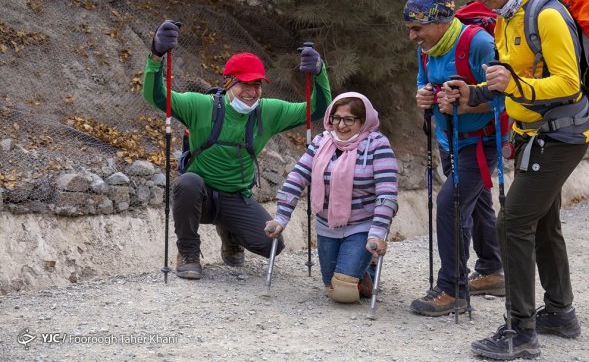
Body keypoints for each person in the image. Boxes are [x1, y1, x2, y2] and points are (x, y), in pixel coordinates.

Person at [445, 0, 589, 360]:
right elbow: (507, 81)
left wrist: (514, 87)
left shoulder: (545, 14)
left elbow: (568, 83)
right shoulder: (506, 19)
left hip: (560, 136)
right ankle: (560, 313)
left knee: (512, 223)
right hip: (534, 134)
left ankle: (521, 331)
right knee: (542, 222)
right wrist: (470, 91)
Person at [142, 20, 332, 280]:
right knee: (187, 182)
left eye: (257, 85)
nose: (252, 92)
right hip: (201, 196)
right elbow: (156, 95)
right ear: (229, 82)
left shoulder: (269, 111)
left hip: (236, 197)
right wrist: (156, 55)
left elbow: (317, 109)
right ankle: (188, 251)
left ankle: (230, 233)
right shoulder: (200, 106)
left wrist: (319, 72)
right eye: (245, 84)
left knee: (272, 245)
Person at [403, 0, 504, 317]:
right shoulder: (428, 49)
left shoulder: (478, 43)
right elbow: (423, 80)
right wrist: (424, 97)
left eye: (417, 28)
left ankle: (453, 288)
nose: (412, 36)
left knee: (451, 204)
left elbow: (504, 94)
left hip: (482, 142)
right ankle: (491, 270)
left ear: (439, 21)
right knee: (476, 204)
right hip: (449, 141)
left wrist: (464, 102)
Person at [265, 92, 398, 303]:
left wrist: (378, 232)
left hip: (362, 225)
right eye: (336, 118)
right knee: (331, 286)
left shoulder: (377, 145)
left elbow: (387, 192)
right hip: (327, 225)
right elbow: (297, 177)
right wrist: (281, 217)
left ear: (363, 122)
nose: (341, 125)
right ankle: (361, 268)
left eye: (349, 119)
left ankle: (366, 267)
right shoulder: (321, 142)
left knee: (343, 293)